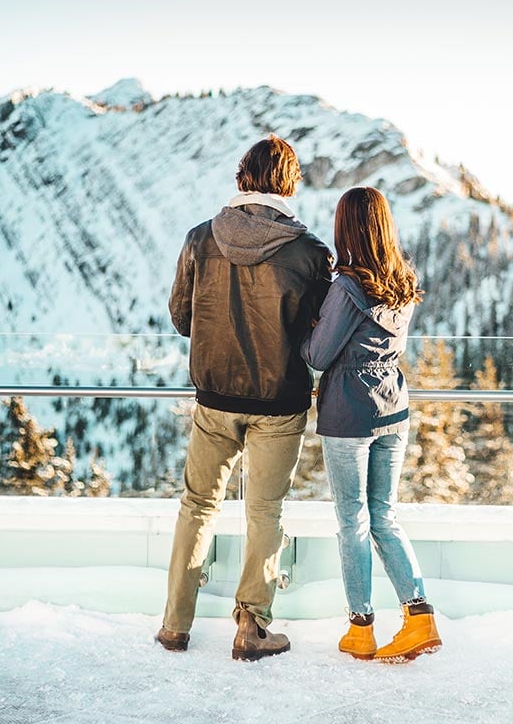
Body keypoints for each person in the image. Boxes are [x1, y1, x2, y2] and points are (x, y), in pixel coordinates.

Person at [156, 134, 332, 660]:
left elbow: (182, 317)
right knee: (265, 512)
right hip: (280, 403)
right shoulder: (309, 253)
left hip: (213, 399)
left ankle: (174, 625)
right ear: (290, 184)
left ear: (241, 179)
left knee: (196, 506)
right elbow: (318, 336)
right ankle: (251, 628)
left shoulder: (199, 239)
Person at [301, 186, 442, 663]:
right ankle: (418, 615)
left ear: (347, 229)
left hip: (348, 412)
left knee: (353, 520)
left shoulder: (346, 287)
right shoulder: (402, 279)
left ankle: (361, 628)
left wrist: (309, 326)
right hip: (393, 408)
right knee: (384, 515)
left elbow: (319, 355)